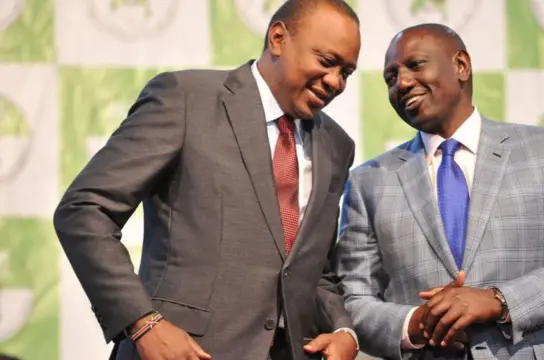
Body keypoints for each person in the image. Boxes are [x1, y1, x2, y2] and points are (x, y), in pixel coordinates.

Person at [53, 1, 361, 359]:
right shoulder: (186, 98)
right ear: (278, 38)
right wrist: (142, 323)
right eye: (327, 61)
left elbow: (312, 266)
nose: (336, 81)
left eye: (347, 72)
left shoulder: (337, 145)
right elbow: (84, 210)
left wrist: (343, 329)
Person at [333, 23, 544, 359]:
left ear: (461, 65)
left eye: (415, 65)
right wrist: (413, 324)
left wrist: (499, 300)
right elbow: (352, 298)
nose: (403, 82)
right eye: (390, 78)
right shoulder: (369, 180)